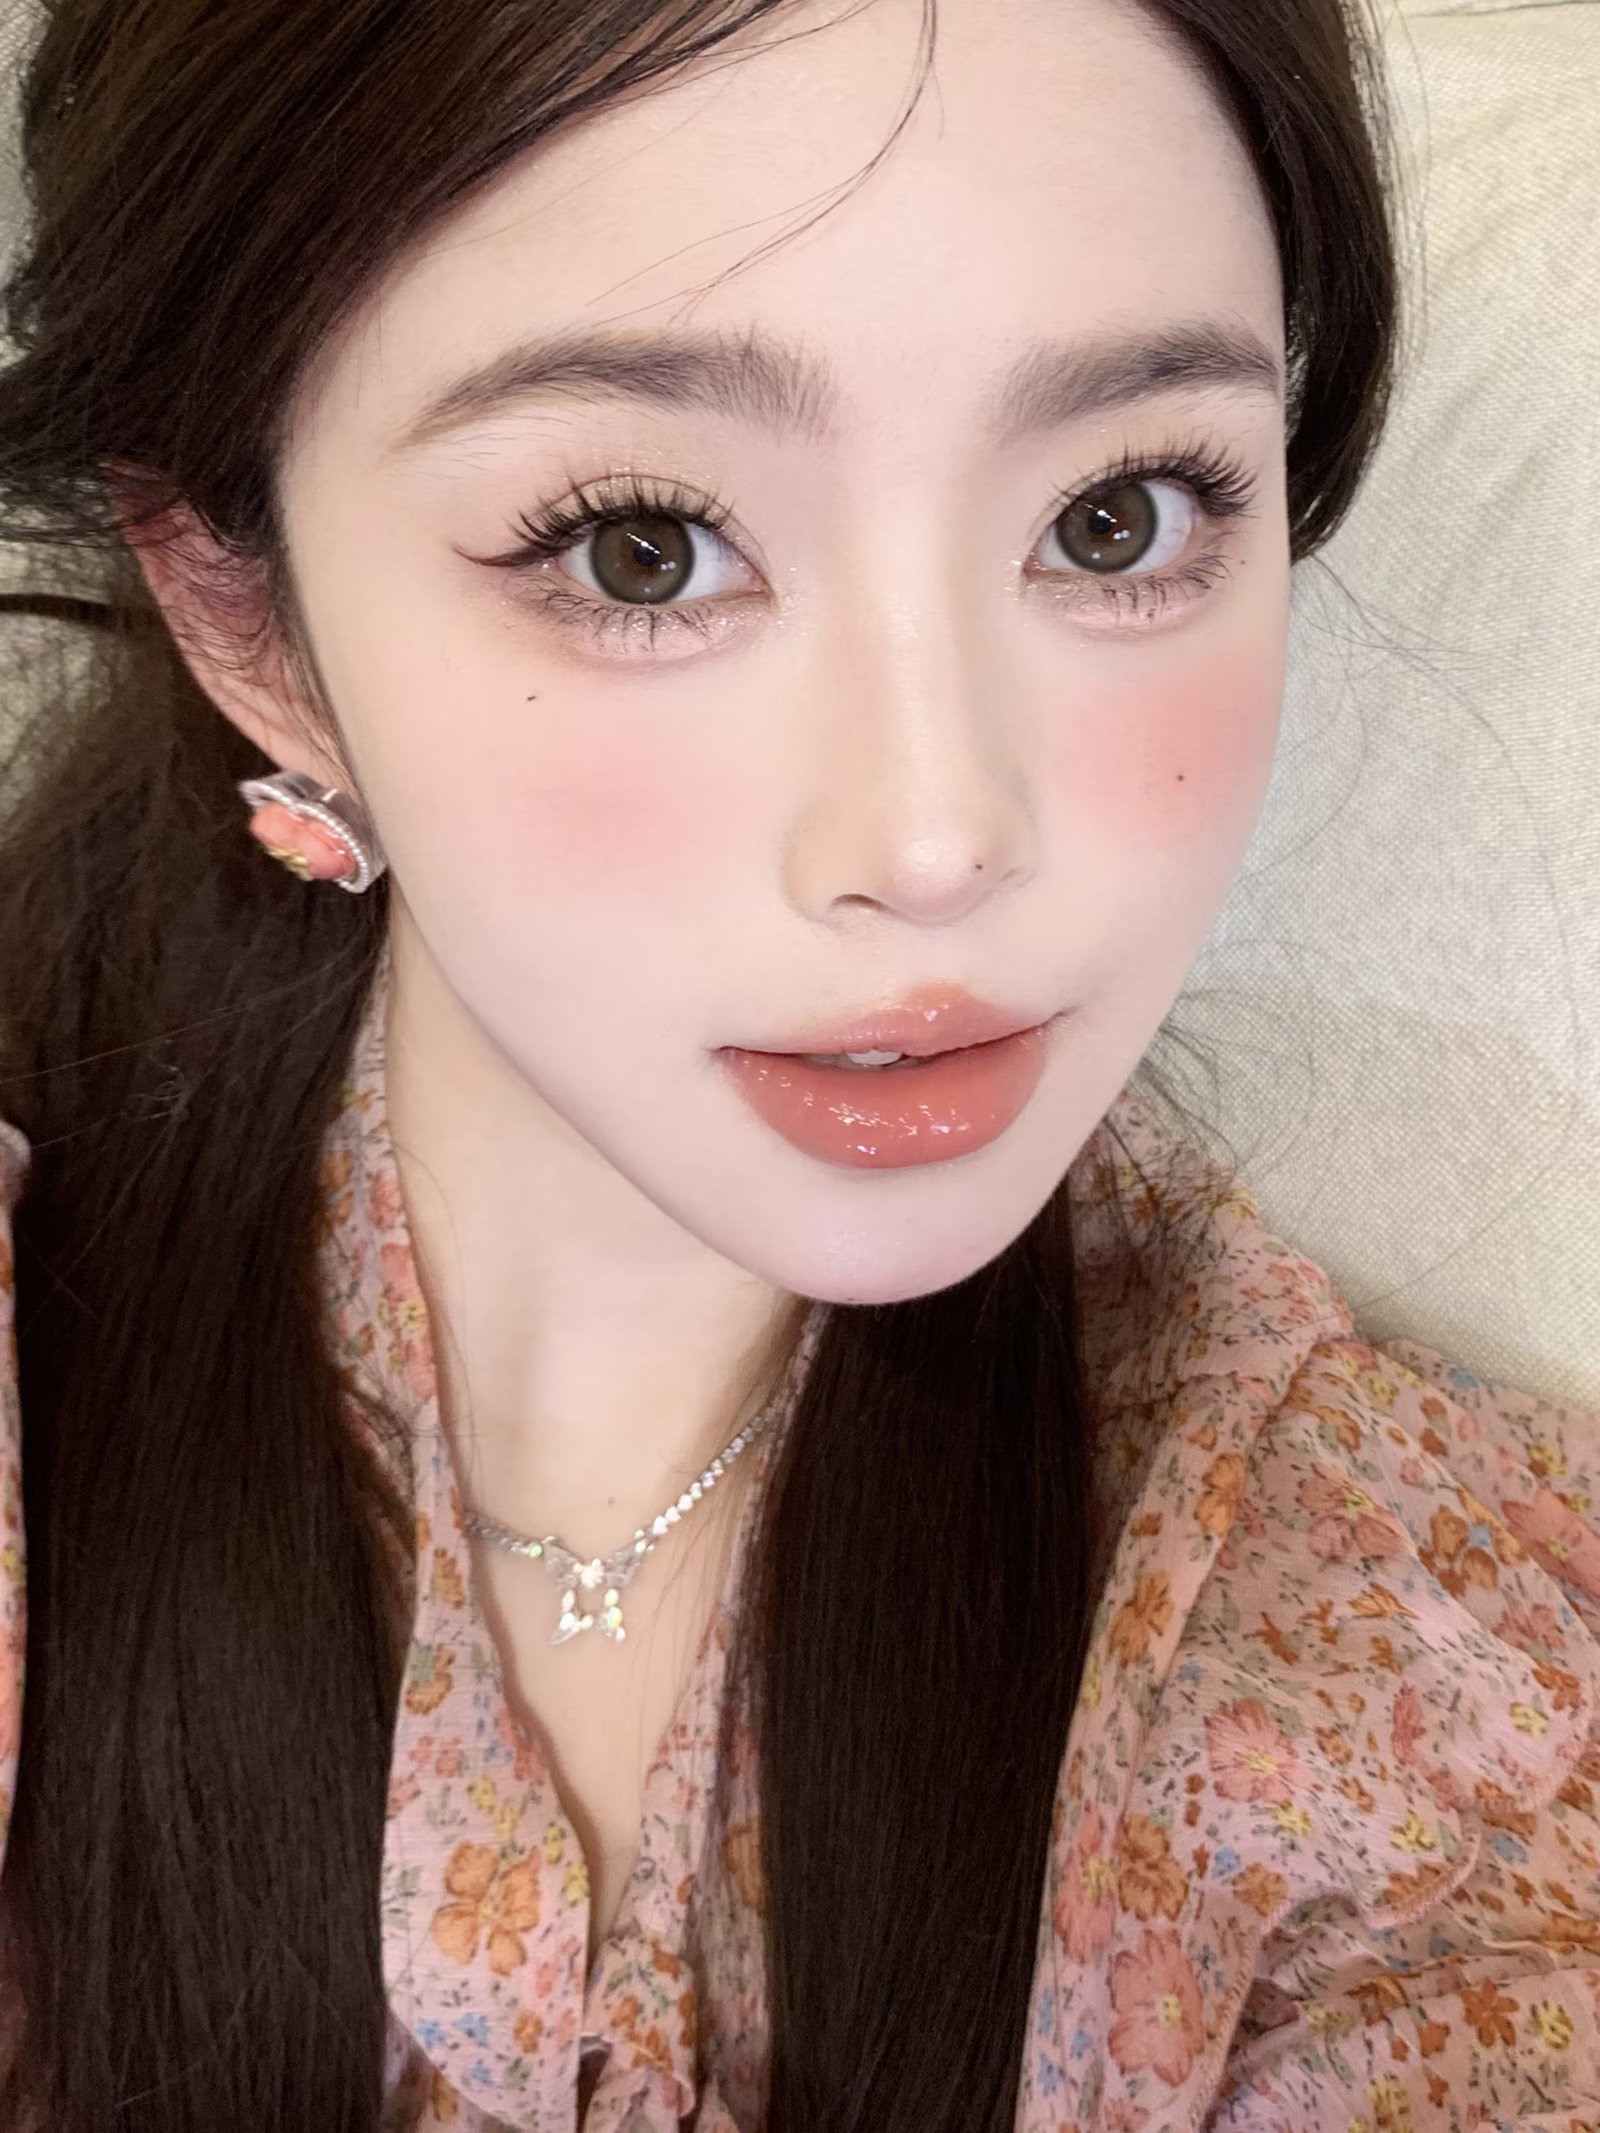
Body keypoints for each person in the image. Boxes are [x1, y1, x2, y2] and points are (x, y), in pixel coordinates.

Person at [0, 0, 1597, 2125]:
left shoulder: (1390, 1667)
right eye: (640, 548)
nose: (938, 841)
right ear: (245, 618)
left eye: (1116, 517)